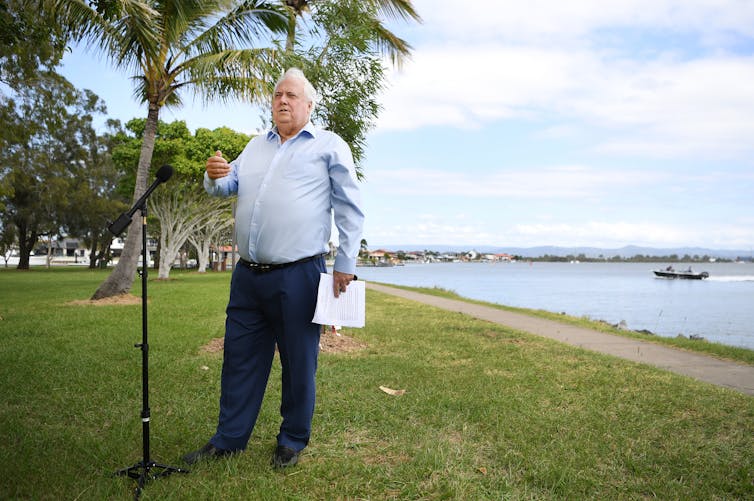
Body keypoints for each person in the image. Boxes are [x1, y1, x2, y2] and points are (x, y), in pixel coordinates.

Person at [183, 68, 364, 468]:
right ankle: (229, 438)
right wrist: (214, 175)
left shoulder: (329, 146)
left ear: (308, 105)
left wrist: (344, 264)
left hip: (300, 274)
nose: (282, 100)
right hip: (247, 275)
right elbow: (227, 185)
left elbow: (350, 208)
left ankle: (292, 440)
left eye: (292, 95)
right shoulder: (254, 147)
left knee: (299, 360)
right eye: (278, 94)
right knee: (239, 357)